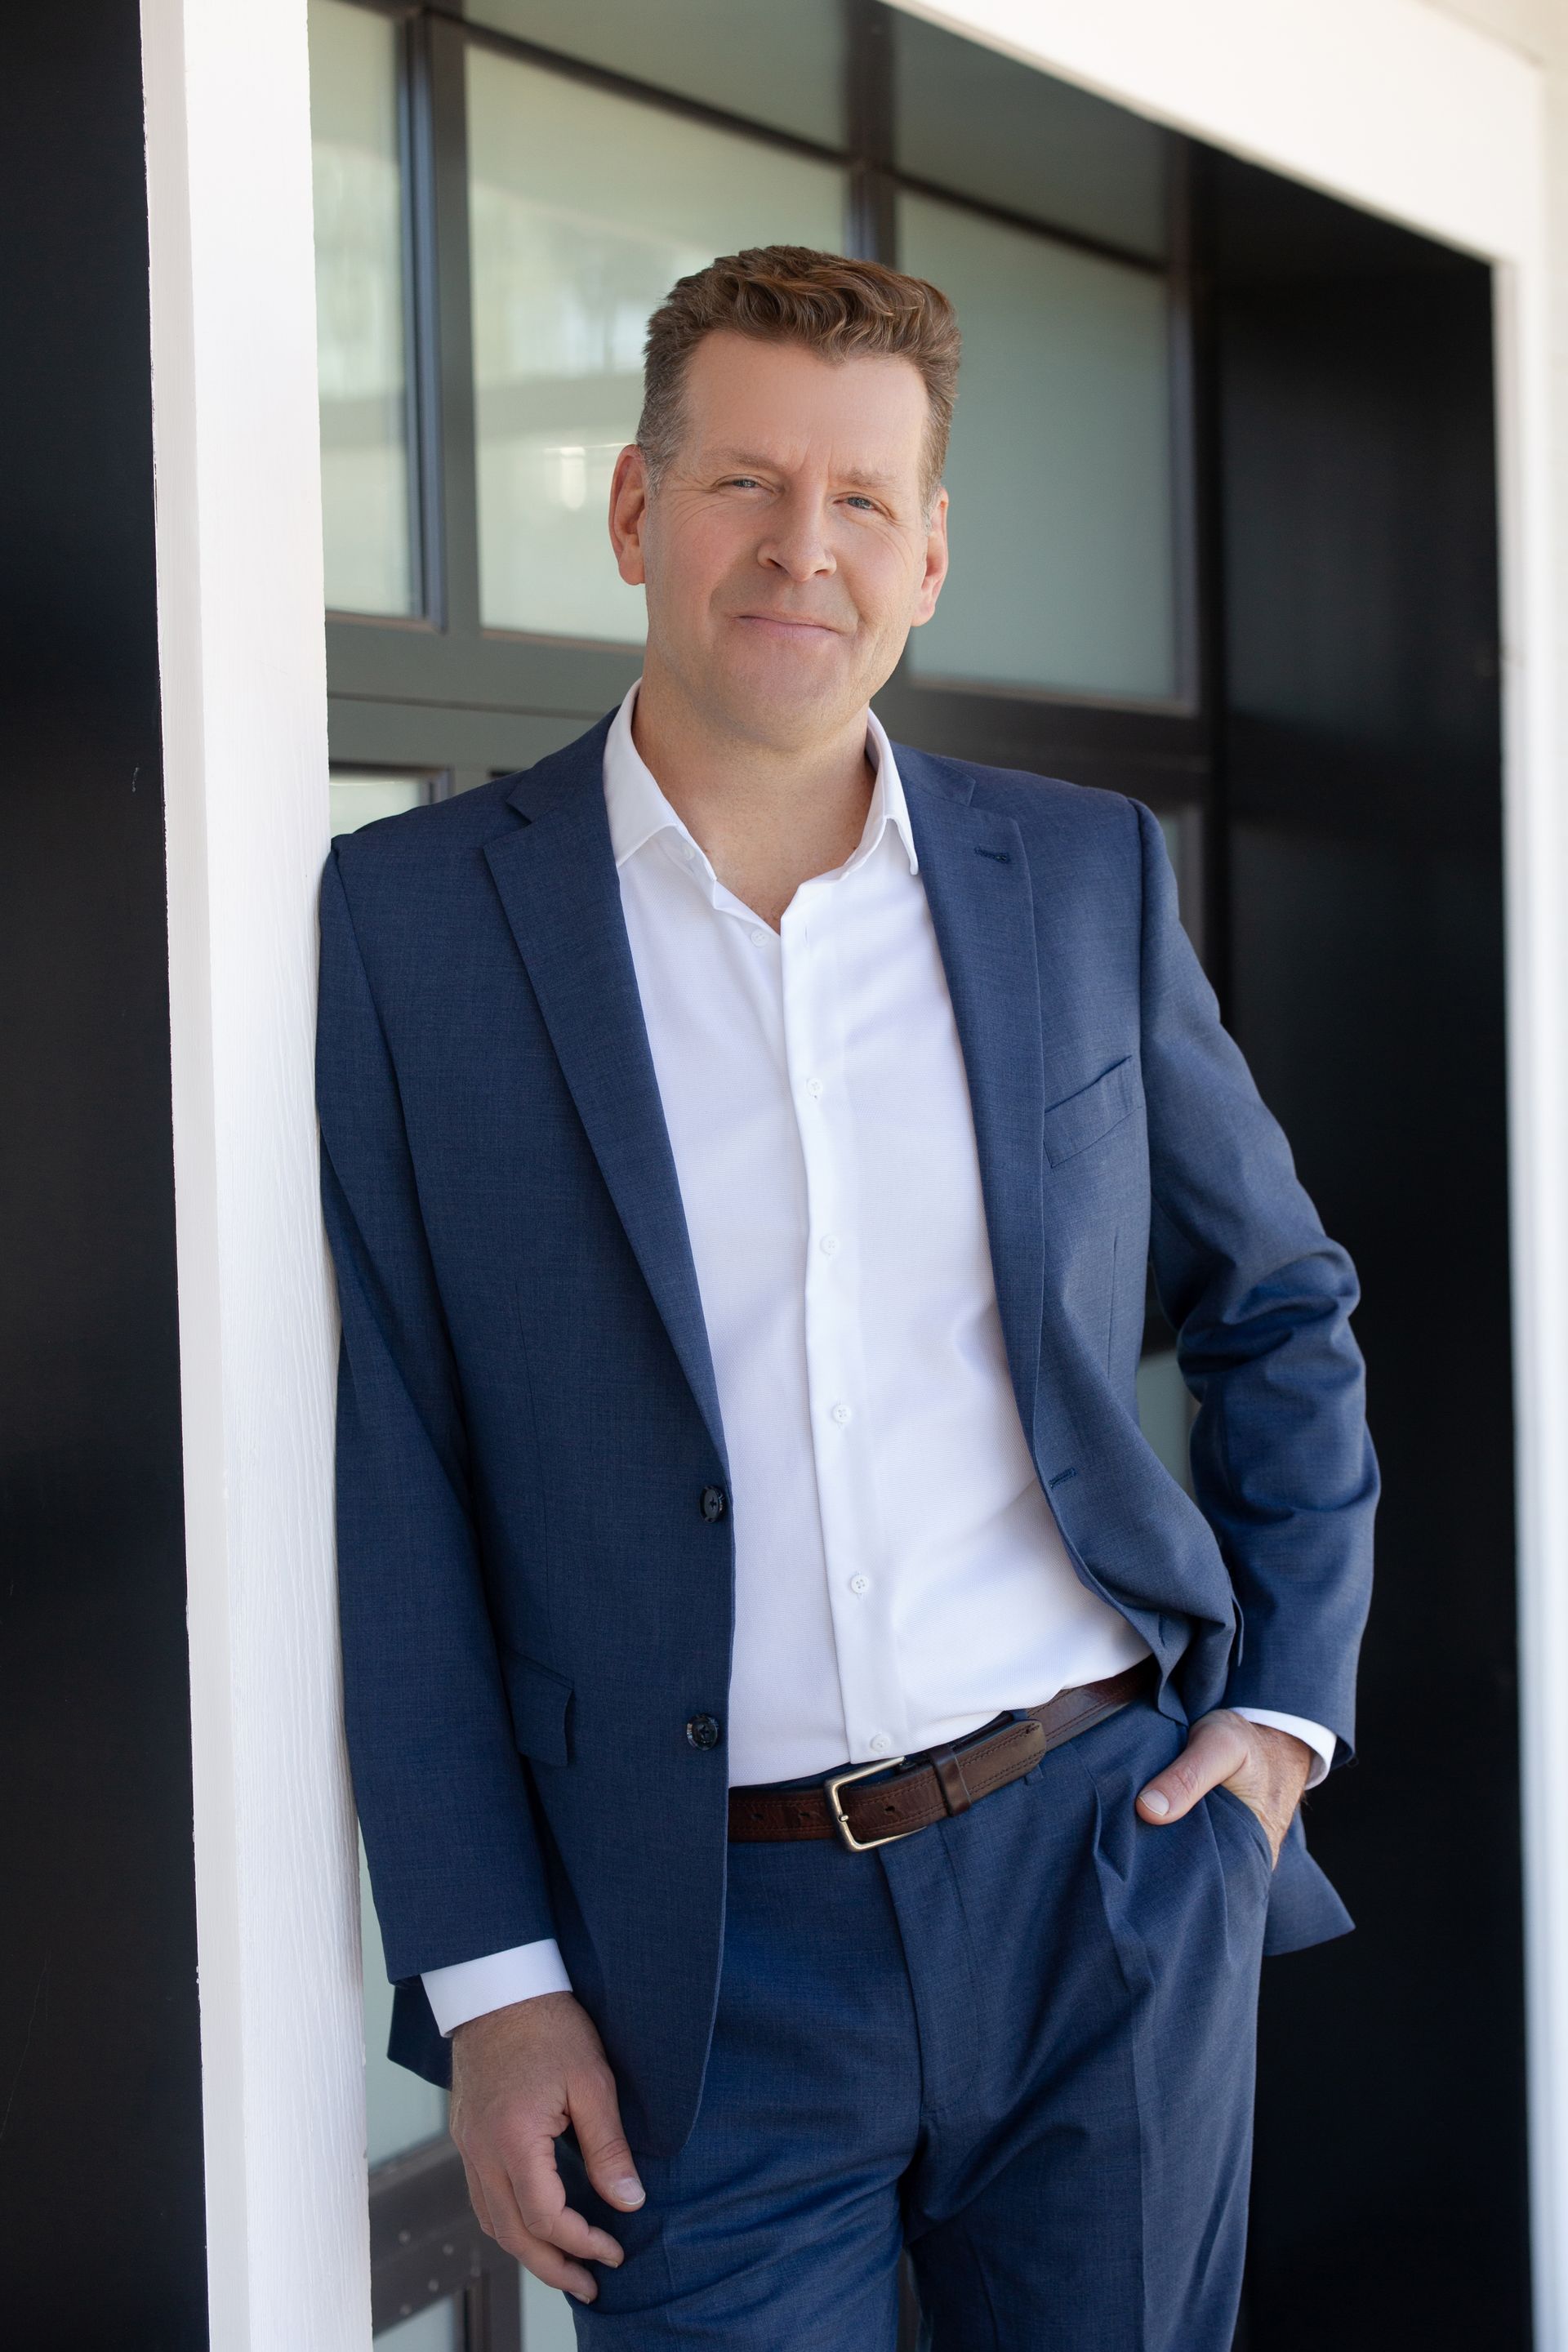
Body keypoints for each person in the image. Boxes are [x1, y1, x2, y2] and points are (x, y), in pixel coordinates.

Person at [317, 246, 1376, 2350]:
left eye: (866, 500)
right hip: (699, 1955)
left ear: (930, 553)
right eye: (745, 486)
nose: (807, 548)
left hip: (1102, 1870)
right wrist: (497, 1982)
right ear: (637, 509)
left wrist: (1277, 1723)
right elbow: (397, 1457)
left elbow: (1281, 1298)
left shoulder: (1076, 876)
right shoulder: (418, 921)